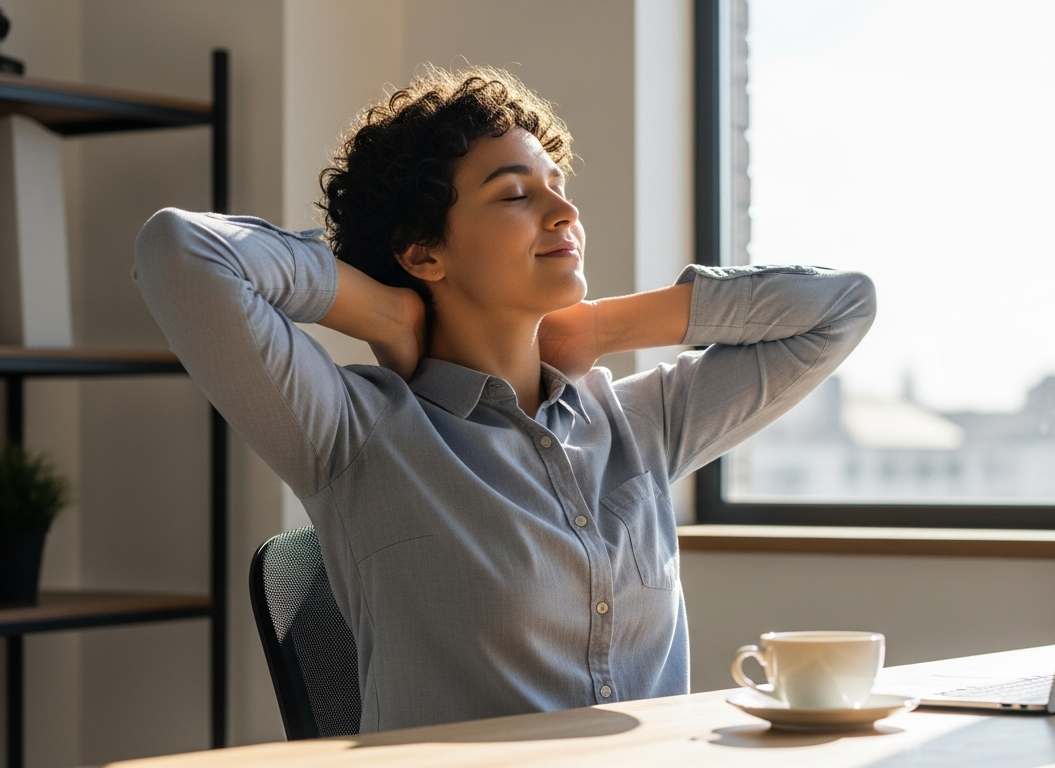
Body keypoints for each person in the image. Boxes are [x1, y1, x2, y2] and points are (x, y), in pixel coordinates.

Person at [133, 65, 875, 732]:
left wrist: (600, 327)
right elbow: (181, 252)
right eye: (518, 193)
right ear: (425, 253)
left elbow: (842, 306)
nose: (562, 213)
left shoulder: (635, 424)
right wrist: (379, 310)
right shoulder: (355, 433)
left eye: (559, 188)